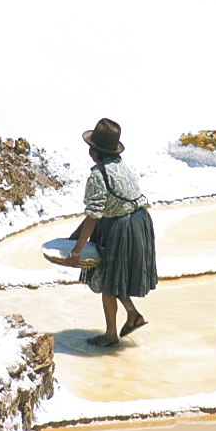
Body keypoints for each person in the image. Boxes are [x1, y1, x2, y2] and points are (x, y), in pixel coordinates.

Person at [67, 118, 158, 347]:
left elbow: (93, 216)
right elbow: (98, 212)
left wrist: (76, 251)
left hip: (120, 228)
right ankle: (133, 314)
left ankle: (110, 335)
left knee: (108, 282)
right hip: (138, 223)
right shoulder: (121, 166)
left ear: (93, 150)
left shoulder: (98, 176)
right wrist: (75, 235)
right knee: (115, 276)